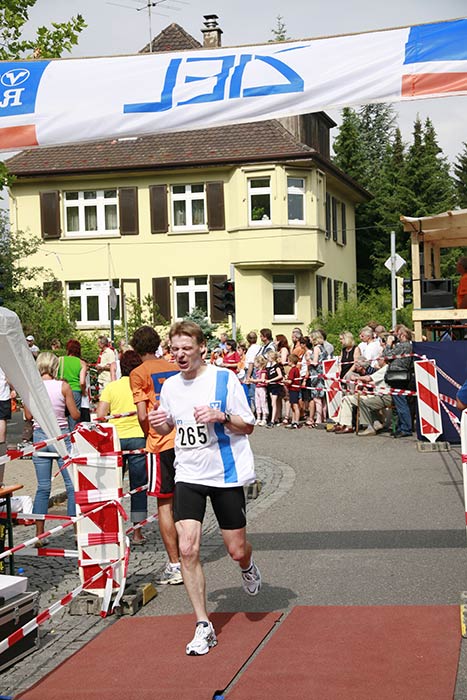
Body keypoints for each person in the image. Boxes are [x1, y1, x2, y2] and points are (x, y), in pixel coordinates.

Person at [148, 320, 260, 656]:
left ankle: (247, 565)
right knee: (188, 548)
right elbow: (170, 425)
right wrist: (161, 423)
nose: (180, 355)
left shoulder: (224, 379)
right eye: (175, 349)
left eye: (186, 348)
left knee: (236, 549)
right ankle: (203, 624)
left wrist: (220, 416)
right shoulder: (170, 386)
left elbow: (248, 425)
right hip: (188, 474)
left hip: (225, 474)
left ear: (201, 348)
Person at [130, 326, 182, 584]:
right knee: (183, 501)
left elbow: (142, 414)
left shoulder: (138, 373)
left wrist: (147, 433)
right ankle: (188, 555)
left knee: (164, 504)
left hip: (159, 442)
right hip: (182, 439)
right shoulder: (174, 366)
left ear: (135, 348)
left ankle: (175, 564)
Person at [24, 352, 79, 545]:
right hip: (60, 435)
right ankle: (76, 531)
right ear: (55, 366)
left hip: (40, 436)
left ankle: (39, 534)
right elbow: (74, 414)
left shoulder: (31, 387)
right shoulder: (63, 386)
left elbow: (28, 416)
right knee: (72, 485)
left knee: (43, 487)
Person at [97, 350, 147, 545]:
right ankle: (137, 532)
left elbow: (100, 415)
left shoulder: (111, 387)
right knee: (138, 487)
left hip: (116, 440)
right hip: (138, 438)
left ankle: (113, 529)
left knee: (112, 486)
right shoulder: (142, 386)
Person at [383, 325, 414, 438]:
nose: (395, 336)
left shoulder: (403, 346)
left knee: (401, 404)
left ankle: (406, 428)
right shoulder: (407, 346)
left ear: (403, 335)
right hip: (399, 376)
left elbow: (387, 355)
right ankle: (402, 427)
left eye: (397, 333)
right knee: (399, 403)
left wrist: (388, 344)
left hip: (398, 376)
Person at [57, 339, 87, 431]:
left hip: (61, 390)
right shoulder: (82, 363)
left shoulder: (60, 360)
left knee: (59, 417)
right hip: (75, 391)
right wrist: (83, 391)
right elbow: (82, 382)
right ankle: (73, 437)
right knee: (73, 418)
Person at [0, 366, 15, 484]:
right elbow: (9, 377)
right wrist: (13, 388)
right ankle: (1, 441)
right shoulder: (4, 360)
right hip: (2, 394)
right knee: (1, 420)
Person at [244, 331, 261, 414]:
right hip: (257, 370)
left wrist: (248, 376)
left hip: (252, 371)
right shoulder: (259, 347)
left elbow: (251, 363)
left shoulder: (251, 349)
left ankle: (255, 412)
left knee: (252, 393)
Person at [284, 354, 301, 429]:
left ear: (291, 361)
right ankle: (293, 421)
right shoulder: (296, 369)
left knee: (295, 406)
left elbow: (290, 381)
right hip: (293, 389)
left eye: (288, 360)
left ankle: (296, 422)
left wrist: (284, 381)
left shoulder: (292, 370)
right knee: (293, 406)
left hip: (293, 389)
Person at [251, 355, 268, 425]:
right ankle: (258, 417)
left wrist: (254, 380)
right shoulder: (257, 371)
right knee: (257, 402)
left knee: (263, 402)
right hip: (257, 388)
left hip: (262, 388)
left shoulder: (263, 371)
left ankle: (264, 418)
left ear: (259, 363)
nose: (254, 364)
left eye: (255, 362)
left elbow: (262, 379)